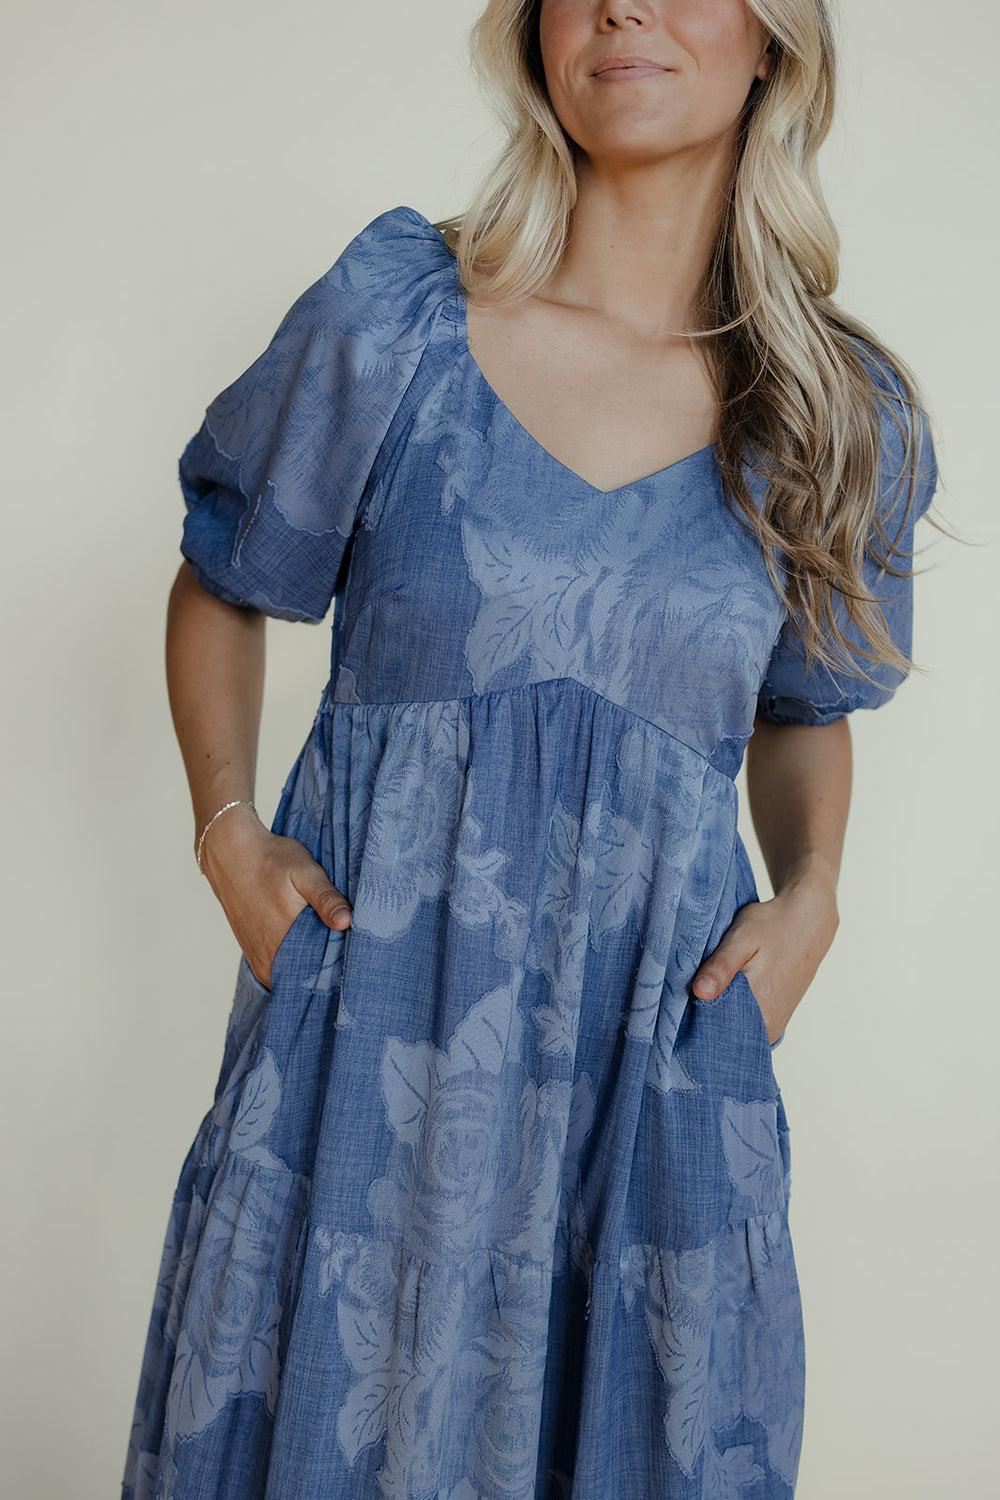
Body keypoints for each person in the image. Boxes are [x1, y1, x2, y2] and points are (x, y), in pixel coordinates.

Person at [121, 1, 940, 1496]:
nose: (623, 5)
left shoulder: (835, 414)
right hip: (371, 1054)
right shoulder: (399, 323)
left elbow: (804, 707)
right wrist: (228, 833)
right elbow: (224, 578)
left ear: (774, 41)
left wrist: (815, 892)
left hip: (652, 1071)